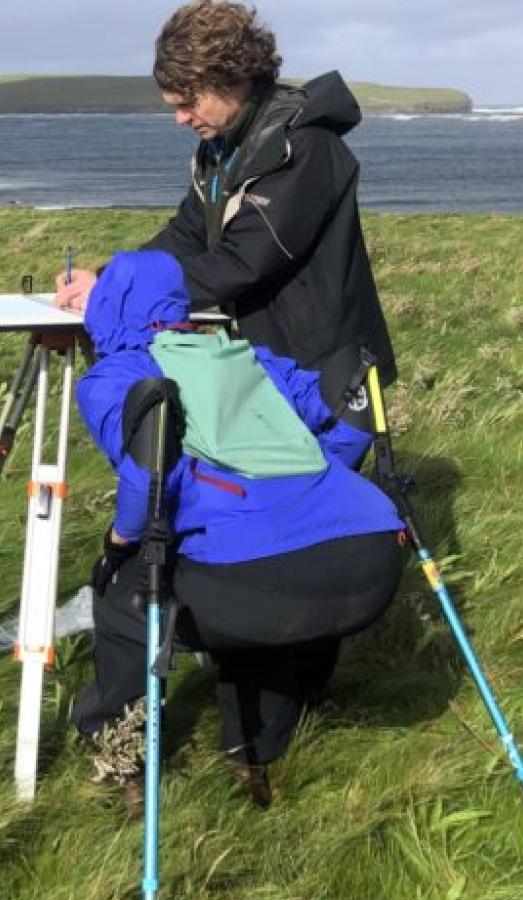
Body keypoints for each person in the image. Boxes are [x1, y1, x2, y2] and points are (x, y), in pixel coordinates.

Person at [72, 251, 404, 807]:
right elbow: (346, 417)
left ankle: (120, 753)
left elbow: (150, 474)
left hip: (260, 583)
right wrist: (311, 489)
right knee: (253, 572)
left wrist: (118, 543)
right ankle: (257, 754)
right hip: (371, 560)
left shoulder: (118, 375)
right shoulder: (248, 356)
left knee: (126, 594)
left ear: (105, 309)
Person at [55, 1, 396, 422]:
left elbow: (242, 262)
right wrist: (107, 277)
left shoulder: (302, 148)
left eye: (189, 102)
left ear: (230, 76)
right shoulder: (223, 147)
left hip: (321, 375)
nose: (180, 118)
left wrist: (120, 296)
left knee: (293, 488)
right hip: (265, 365)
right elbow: (187, 234)